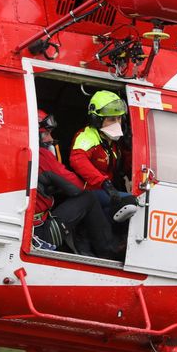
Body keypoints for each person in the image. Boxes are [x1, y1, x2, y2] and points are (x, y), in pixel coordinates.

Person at [32, 109, 124, 260]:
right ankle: (108, 250)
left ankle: (84, 246)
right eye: (46, 133)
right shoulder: (42, 156)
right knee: (88, 197)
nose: (50, 139)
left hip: (30, 228)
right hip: (40, 232)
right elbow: (76, 188)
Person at [70, 90, 139, 217]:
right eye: (112, 119)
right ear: (97, 120)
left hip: (107, 191)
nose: (117, 123)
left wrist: (129, 149)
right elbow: (77, 159)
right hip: (89, 191)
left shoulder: (113, 141)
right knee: (130, 201)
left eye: (119, 118)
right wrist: (104, 183)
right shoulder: (87, 136)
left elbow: (125, 167)